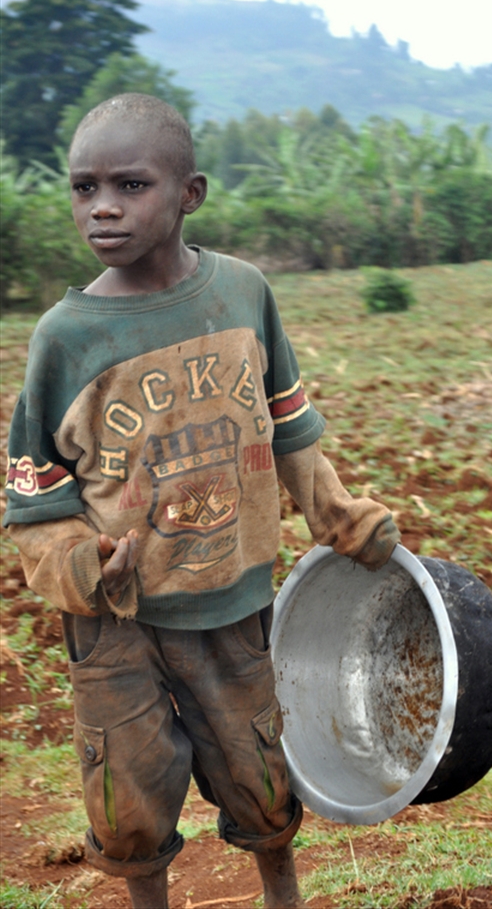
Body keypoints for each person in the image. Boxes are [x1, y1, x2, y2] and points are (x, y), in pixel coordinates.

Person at [3, 93, 400, 909]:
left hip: (234, 598)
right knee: (128, 798)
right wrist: (83, 563)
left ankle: (280, 894)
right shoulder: (65, 338)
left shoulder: (243, 294)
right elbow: (35, 494)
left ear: (190, 194)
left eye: (130, 185)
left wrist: (338, 516)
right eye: (84, 188)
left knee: (262, 781)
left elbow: (289, 425)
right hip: (119, 620)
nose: (103, 207)